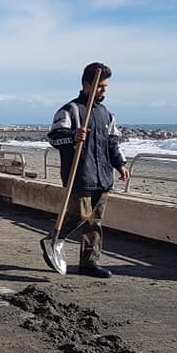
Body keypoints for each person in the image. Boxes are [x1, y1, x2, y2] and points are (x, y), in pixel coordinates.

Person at [47, 62, 130, 279]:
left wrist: (120, 164)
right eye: (100, 86)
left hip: (103, 176)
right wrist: (73, 137)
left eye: (105, 87)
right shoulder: (70, 110)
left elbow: (112, 143)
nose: (103, 90)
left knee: (95, 222)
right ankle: (54, 239)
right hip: (80, 175)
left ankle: (89, 263)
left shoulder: (106, 114)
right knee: (81, 215)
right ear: (87, 84)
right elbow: (54, 138)